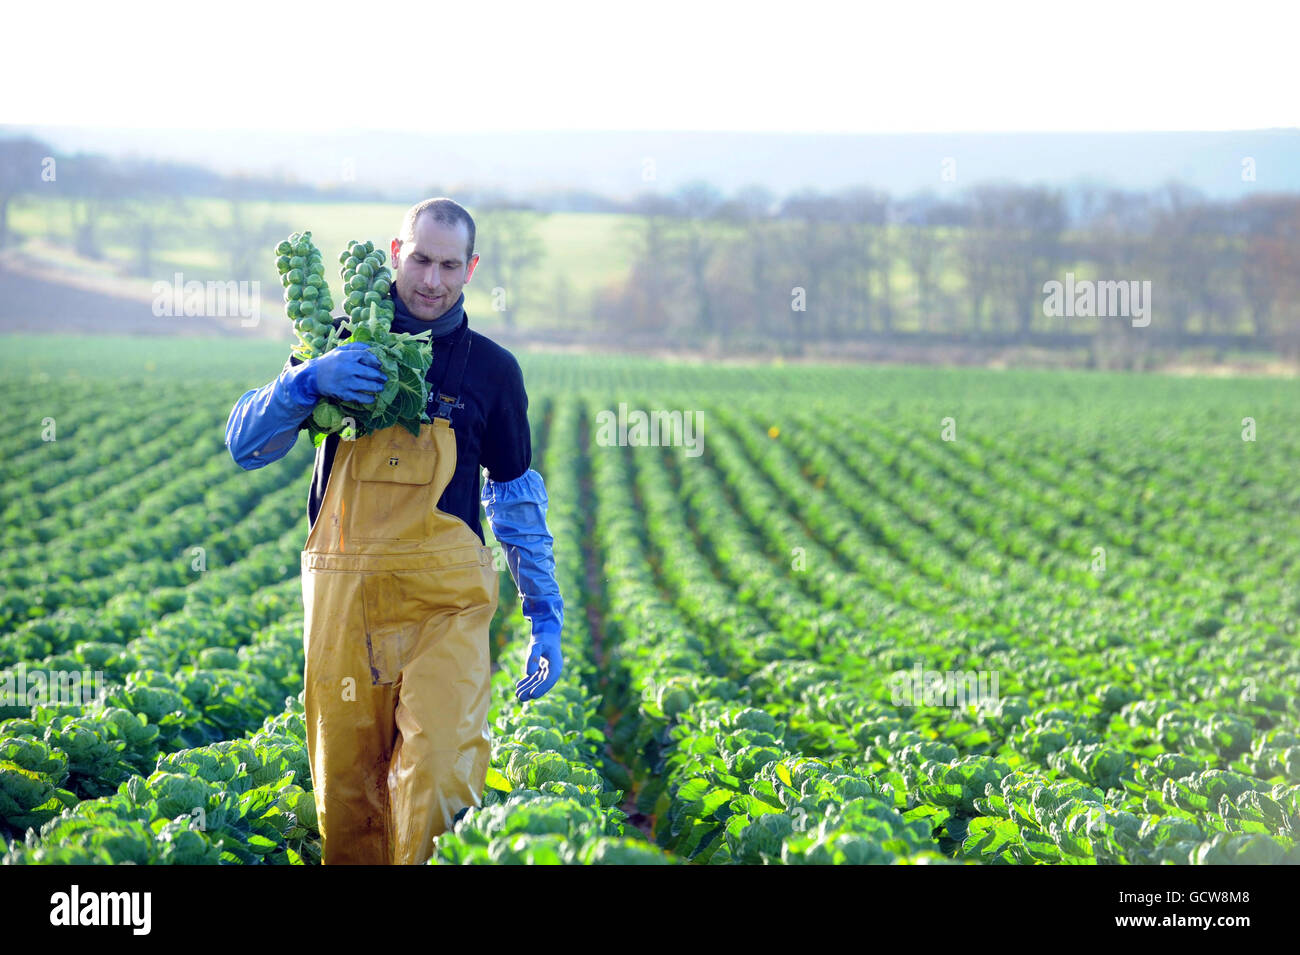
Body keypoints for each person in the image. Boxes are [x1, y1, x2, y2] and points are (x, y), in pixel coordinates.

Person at [223, 198, 563, 865]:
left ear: (470, 268)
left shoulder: (492, 372)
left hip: (446, 607)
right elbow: (243, 443)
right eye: (420, 260)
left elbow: (515, 497)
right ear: (396, 252)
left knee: (440, 777)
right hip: (343, 613)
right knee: (348, 804)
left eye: (448, 266)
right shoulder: (337, 346)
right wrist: (303, 383)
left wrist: (545, 612)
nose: (431, 281)